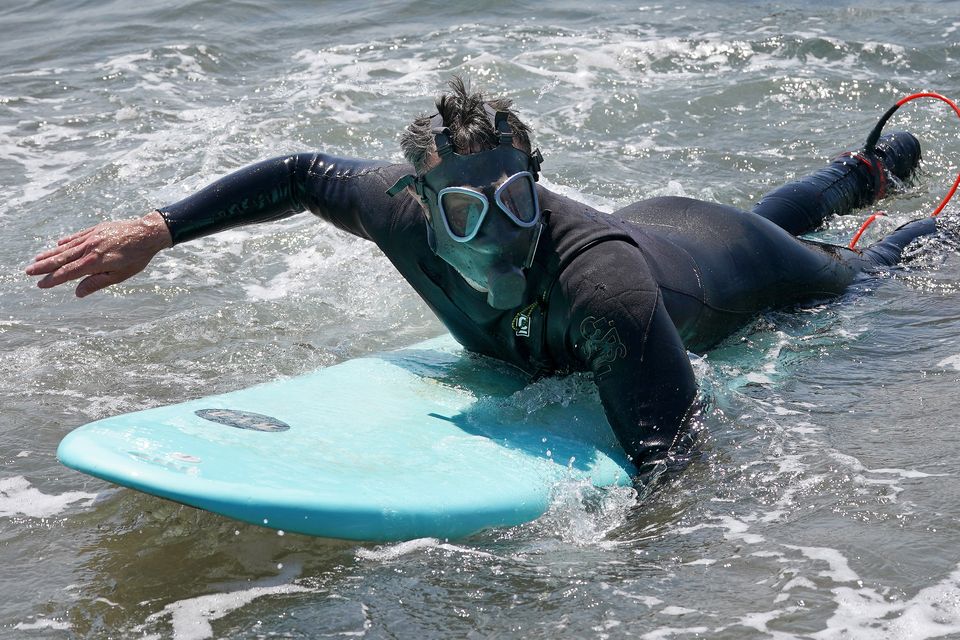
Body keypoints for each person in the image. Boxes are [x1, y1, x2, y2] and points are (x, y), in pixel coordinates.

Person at [25, 78, 939, 470]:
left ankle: (910, 205)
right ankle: (865, 169)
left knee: (858, 272)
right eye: (465, 213)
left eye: (515, 202)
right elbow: (303, 173)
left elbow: (678, 465)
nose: (499, 233)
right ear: (423, 210)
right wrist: (159, 226)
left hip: (717, 274)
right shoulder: (395, 207)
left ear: (536, 186)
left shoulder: (604, 300)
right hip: (673, 229)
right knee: (762, 217)